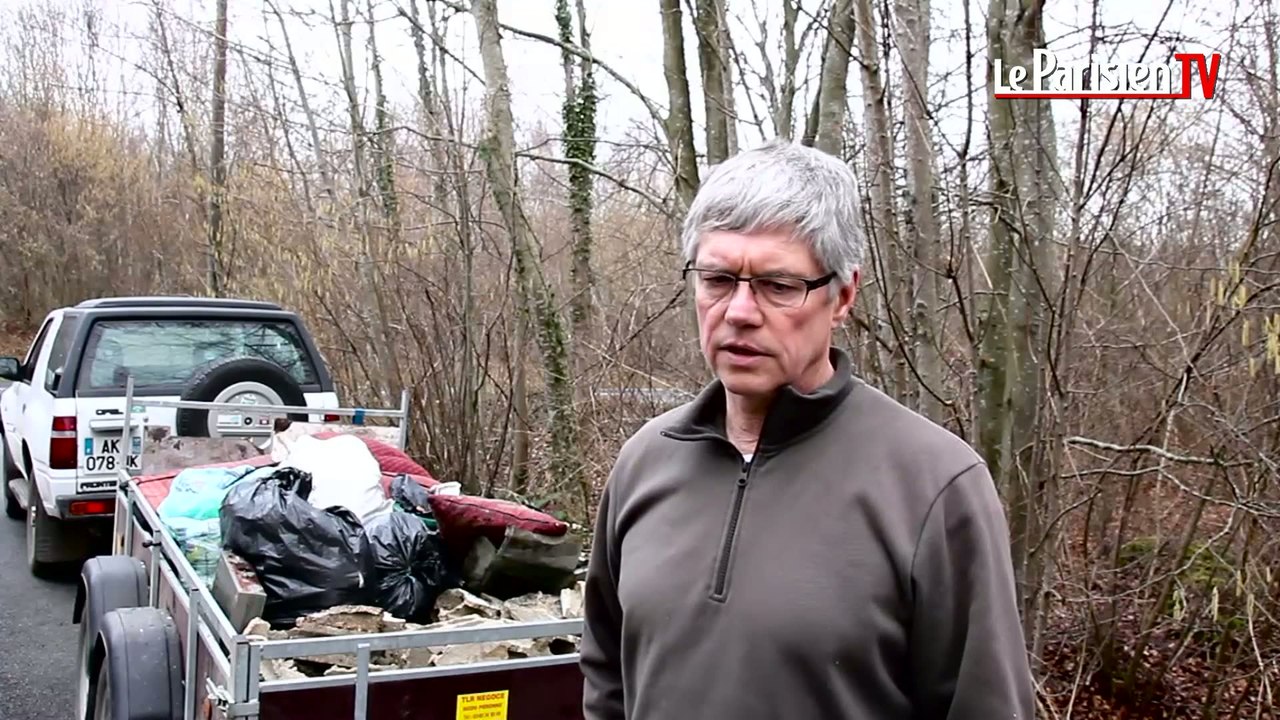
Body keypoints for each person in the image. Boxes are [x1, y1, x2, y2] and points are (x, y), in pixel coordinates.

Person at [579, 139, 1035, 720]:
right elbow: (605, 673)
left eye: (778, 285)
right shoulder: (645, 461)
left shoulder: (935, 486)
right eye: (718, 279)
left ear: (842, 296)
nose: (740, 311)